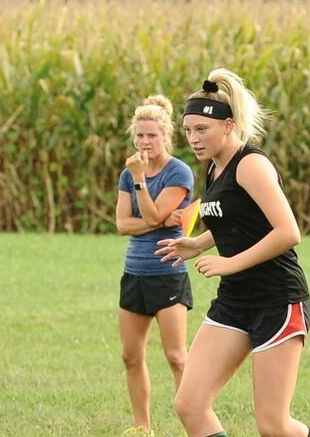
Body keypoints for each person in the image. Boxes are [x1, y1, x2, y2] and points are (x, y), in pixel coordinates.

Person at [155, 69, 310, 437]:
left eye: (202, 130)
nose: (193, 139)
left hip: (277, 299)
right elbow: (238, 220)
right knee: (190, 404)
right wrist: (199, 243)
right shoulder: (215, 168)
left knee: (274, 426)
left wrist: (230, 262)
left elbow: (288, 232)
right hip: (235, 300)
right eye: (188, 131)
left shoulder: (251, 165)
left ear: (228, 126)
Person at [115, 95, 195, 436]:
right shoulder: (128, 172)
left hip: (168, 271)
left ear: (166, 136)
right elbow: (122, 224)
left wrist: (140, 183)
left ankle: (196, 424)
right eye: (140, 136)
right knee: (130, 357)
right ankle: (142, 428)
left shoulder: (179, 172)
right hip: (135, 271)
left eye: (152, 136)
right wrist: (160, 221)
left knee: (177, 357)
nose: (145, 142)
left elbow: (145, 214)